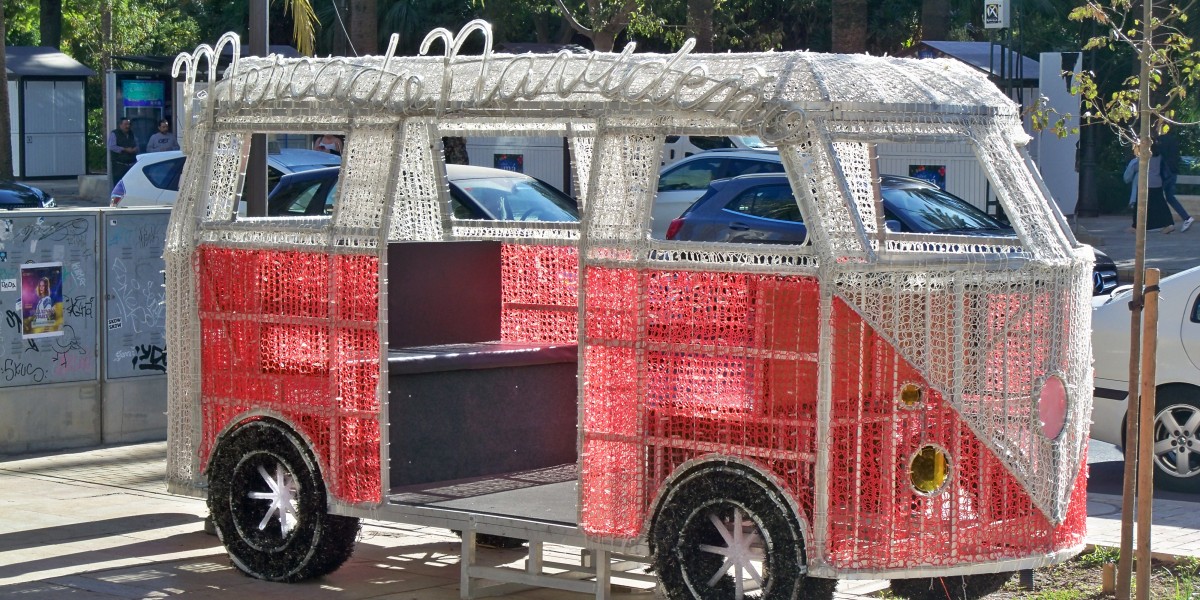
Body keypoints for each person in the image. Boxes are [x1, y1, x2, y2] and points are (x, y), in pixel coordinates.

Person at [1124, 148, 1175, 234]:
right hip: (1157, 182)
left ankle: (1136, 226)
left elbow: (1137, 167)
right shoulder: (1158, 155)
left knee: (1140, 205)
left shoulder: (1145, 156)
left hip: (1145, 182)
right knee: (1161, 205)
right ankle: (1169, 224)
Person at [1156, 131, 1194, 232]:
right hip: (1172, 172)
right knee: (1169, 197)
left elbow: (1157, 154)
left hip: (1164, 172)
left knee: (1157, 197)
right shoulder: (1174, 139)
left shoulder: (1160, 140)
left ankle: (1166, 223)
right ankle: (1186, 218)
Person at [108, 118, 138, 189]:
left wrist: (135, 149)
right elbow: (112, 146)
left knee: (130, 186)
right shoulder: (114, 133)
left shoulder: (132, 133)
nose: (127, 126)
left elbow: (137, 144)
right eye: (125, 124)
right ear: (120, 125)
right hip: (119, 166)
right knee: (119, 186)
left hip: (131, 165)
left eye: (129, 124)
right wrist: (124, 149)